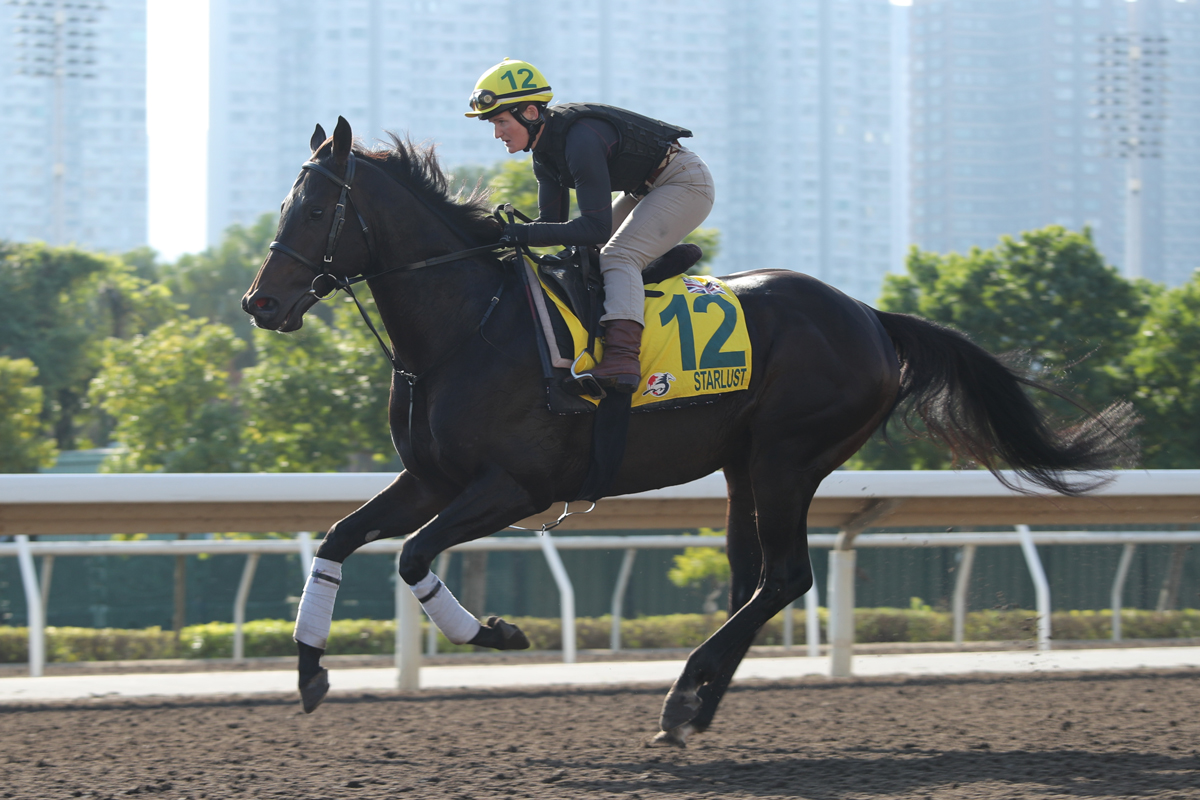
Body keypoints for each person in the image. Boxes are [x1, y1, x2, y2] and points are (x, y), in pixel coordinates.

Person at [466, 58, 715, 393]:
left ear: (529, 112)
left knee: (618, 255)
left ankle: (623, 359)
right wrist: (497, 235)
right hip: (648, 189)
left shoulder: (581, 140)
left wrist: (515, 234)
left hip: (684, 182)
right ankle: (658, 264)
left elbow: (594, 228)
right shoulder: (544, 154)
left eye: (499, 121)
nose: (497, 133)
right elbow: (552, 226)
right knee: (579, 254)